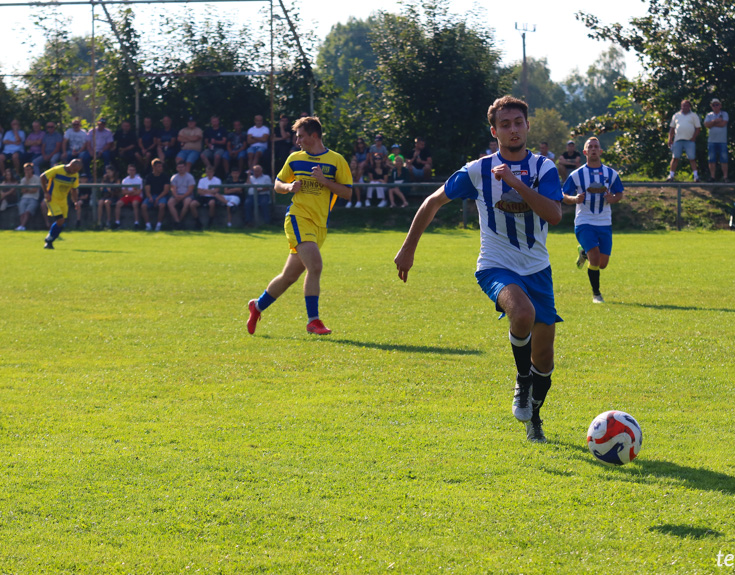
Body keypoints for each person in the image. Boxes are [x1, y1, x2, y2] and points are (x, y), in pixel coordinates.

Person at [394, 95, 563, 443]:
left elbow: (554, 215)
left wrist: (516, 184)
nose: (513, 129)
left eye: (518, 122)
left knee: (544, 358)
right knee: (523, 314)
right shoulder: (478, 170)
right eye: (505, 124)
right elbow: (433, 201)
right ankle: (522, 380)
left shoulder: (544, 168)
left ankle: (535, 417)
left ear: (528, 126)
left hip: (538, 270)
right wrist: (408, 247)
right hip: (495, 266)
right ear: (494, 130)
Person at [246, 116, 352, 336]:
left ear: (314, 135)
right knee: (315, 266)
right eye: (296, 136)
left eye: (301, 135)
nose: (297, 140)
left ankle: (257, 306)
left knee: (289, 277)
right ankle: (313, 321)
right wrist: (288, 187)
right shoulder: (295, 158)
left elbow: (348, 192)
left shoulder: (336, 160)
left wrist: (326, 182)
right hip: (297, 217)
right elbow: (277, 184)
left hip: (320, 224)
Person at [562, 137, 624, 304]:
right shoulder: (577, 175)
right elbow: (563, 195)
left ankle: (583, 252)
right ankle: (596, 295)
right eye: (590, 147)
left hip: (604, 222)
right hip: (584, 221)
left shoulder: (611, 173)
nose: (594, 149)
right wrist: (575, 199)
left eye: (596, 146)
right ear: (585, 152)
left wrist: (613, 198)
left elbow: (619, 193)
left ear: (601, 151)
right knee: (595, 258)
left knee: (602, 264)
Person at [40, 159, 82, 249]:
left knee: (62, 223)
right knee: (60, 220)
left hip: (63, 200)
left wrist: (75, 201)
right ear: (70, 166)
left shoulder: (75, 175)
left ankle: (50, 242)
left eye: (77, 171)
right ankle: (49, 239)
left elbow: (74, 189)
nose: (75, 172)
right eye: (74, 170)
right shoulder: (57, 170)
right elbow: (43, 177)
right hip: (52, 198)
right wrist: (46, 192)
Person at [666, 99, 701, 182]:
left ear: (689, 107)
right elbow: (672, 128)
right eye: (683, 105)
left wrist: (693, 137)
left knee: (692, 158)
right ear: (681, 106)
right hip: (678, 140)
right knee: (675, 158)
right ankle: (671, 176)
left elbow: (698, 128)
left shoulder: (694, 115)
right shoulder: (676, 115)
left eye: (686, 105)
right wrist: (670, 139)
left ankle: (696, 176)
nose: (684, 107)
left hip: (689, 140)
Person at [141, 158, 171, 231]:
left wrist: (157, 198)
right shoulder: (149, 177)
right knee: (143, 206)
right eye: (159, 166)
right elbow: (147, 190)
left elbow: (166, 190)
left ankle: (158, 225)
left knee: (162, 205)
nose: (161, 168)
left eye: (161, 166)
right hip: (151, 195)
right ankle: (148, 225)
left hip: (162, 196)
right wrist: (150, 197)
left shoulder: (165, 177)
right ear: (154, 167)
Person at [704, 98, 730, 182]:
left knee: (724, 159)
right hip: (711, 141)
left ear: (720, 105)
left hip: (722, 141)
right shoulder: (709, 115)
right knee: (711, 159)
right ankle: (712, 177)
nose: (715, 106)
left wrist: (712, 123)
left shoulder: (724, 114)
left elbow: (723, 124)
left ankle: (725, 177)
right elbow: (706, 125)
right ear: (711, 106)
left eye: (717, 104)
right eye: (713, 105)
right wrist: (716, 121)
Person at [167, 160, 196, 229]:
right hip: (177, 195)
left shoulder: (190, 177)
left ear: (185, 167)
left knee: (187, 203)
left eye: (182, 167)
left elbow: (190, 190)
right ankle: (177, 222)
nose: (180, 169)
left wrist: (183, 196)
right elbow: (173, 188)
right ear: (176, 168)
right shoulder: (174, 177)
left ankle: (180, 220)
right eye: (179, 167)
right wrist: (176, 196)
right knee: (170, 203)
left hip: (187, 195)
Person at [114, 163, 143, 230]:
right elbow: (123, 192)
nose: (131, 172)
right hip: (128, 196)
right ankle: (117, 222)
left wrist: (129, 192)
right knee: (118, 204)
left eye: (133, 170)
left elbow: (138, 192)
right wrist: (131, 192)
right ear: (128, 171)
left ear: (135, 171)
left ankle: (136, 223)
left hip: (137, 197)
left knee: (135, 204)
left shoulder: (139, 179)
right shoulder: (125, 180)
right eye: (130, 170)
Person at [190, 164, 221, 230]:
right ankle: (197, 222)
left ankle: (210, 221)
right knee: (192, 204)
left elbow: (217, 190)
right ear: (206, 172)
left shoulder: (217, 180)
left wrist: (205, 190)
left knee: (212, 203)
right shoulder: (202, 180)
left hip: (212, 197)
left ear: (213, 172)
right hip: (202, 197)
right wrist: (210, 191)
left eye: (210, 172)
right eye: (208, 172)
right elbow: (199, 191)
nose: (209, 173)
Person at [15, 163, 42, 230]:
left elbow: (35, 190)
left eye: (28, 170)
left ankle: (21, 226)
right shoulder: (23, 180)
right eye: (25, 170)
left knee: (27, 212)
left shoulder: (37, 178)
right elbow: (23, 191)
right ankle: (22, 227)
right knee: (22, 212)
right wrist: (27, 180)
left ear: (32, 170)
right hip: (24, 198)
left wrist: (27, 189)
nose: (27, 171)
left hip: (34, 198)